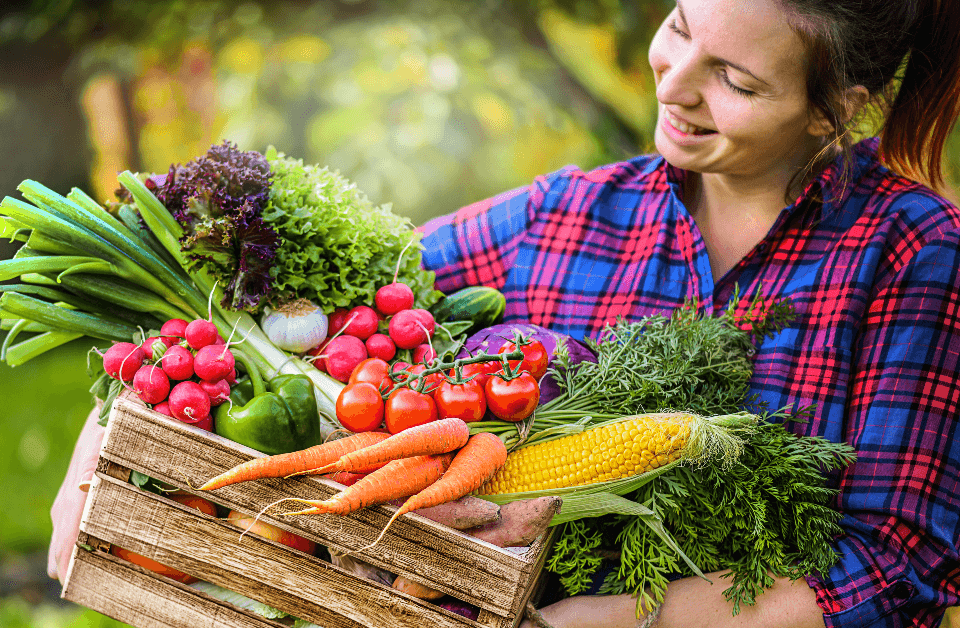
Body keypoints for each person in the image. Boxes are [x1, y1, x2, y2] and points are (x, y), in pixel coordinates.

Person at [49, 0, 960, 625]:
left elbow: (892, 569)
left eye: (735, 80)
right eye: (678, 28)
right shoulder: (566, 213)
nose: (674, 83)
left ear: (832, 110)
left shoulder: (914, 254)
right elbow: (316, 307)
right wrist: (111, 429)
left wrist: (598, 621)